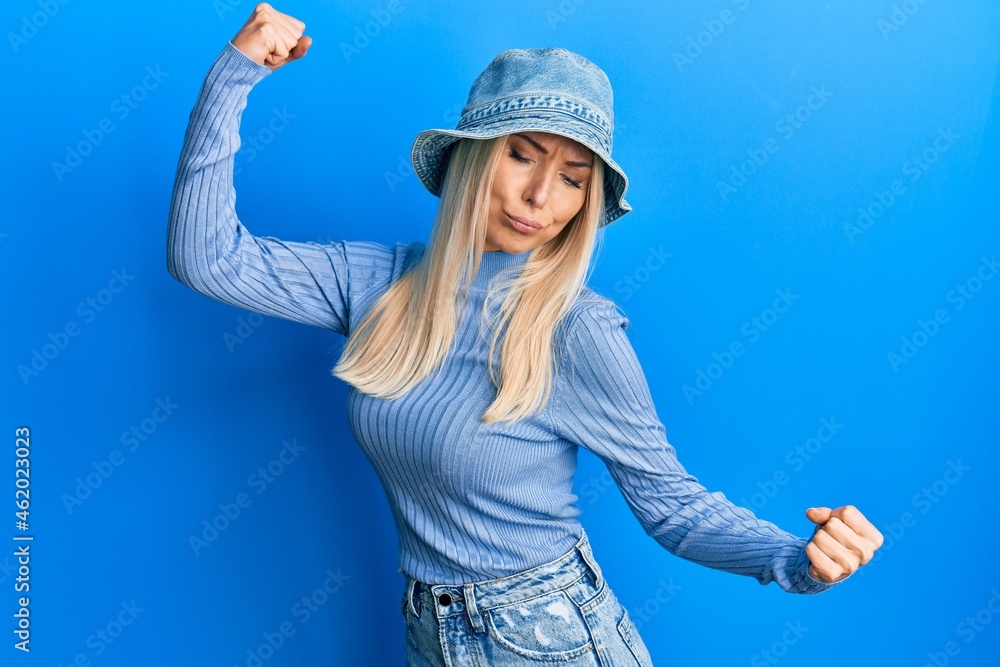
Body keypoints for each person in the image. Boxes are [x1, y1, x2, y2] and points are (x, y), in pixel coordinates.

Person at [166, 4, 884, 665]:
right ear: (473, 155)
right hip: (429, 625)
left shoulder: (577, 327)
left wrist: (797, 559)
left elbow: (671, 503)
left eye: (574, 178)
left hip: (546, 635)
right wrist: (235, 76)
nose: (543, 196)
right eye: (522, 154)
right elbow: (208, 258)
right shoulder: (378, 282)